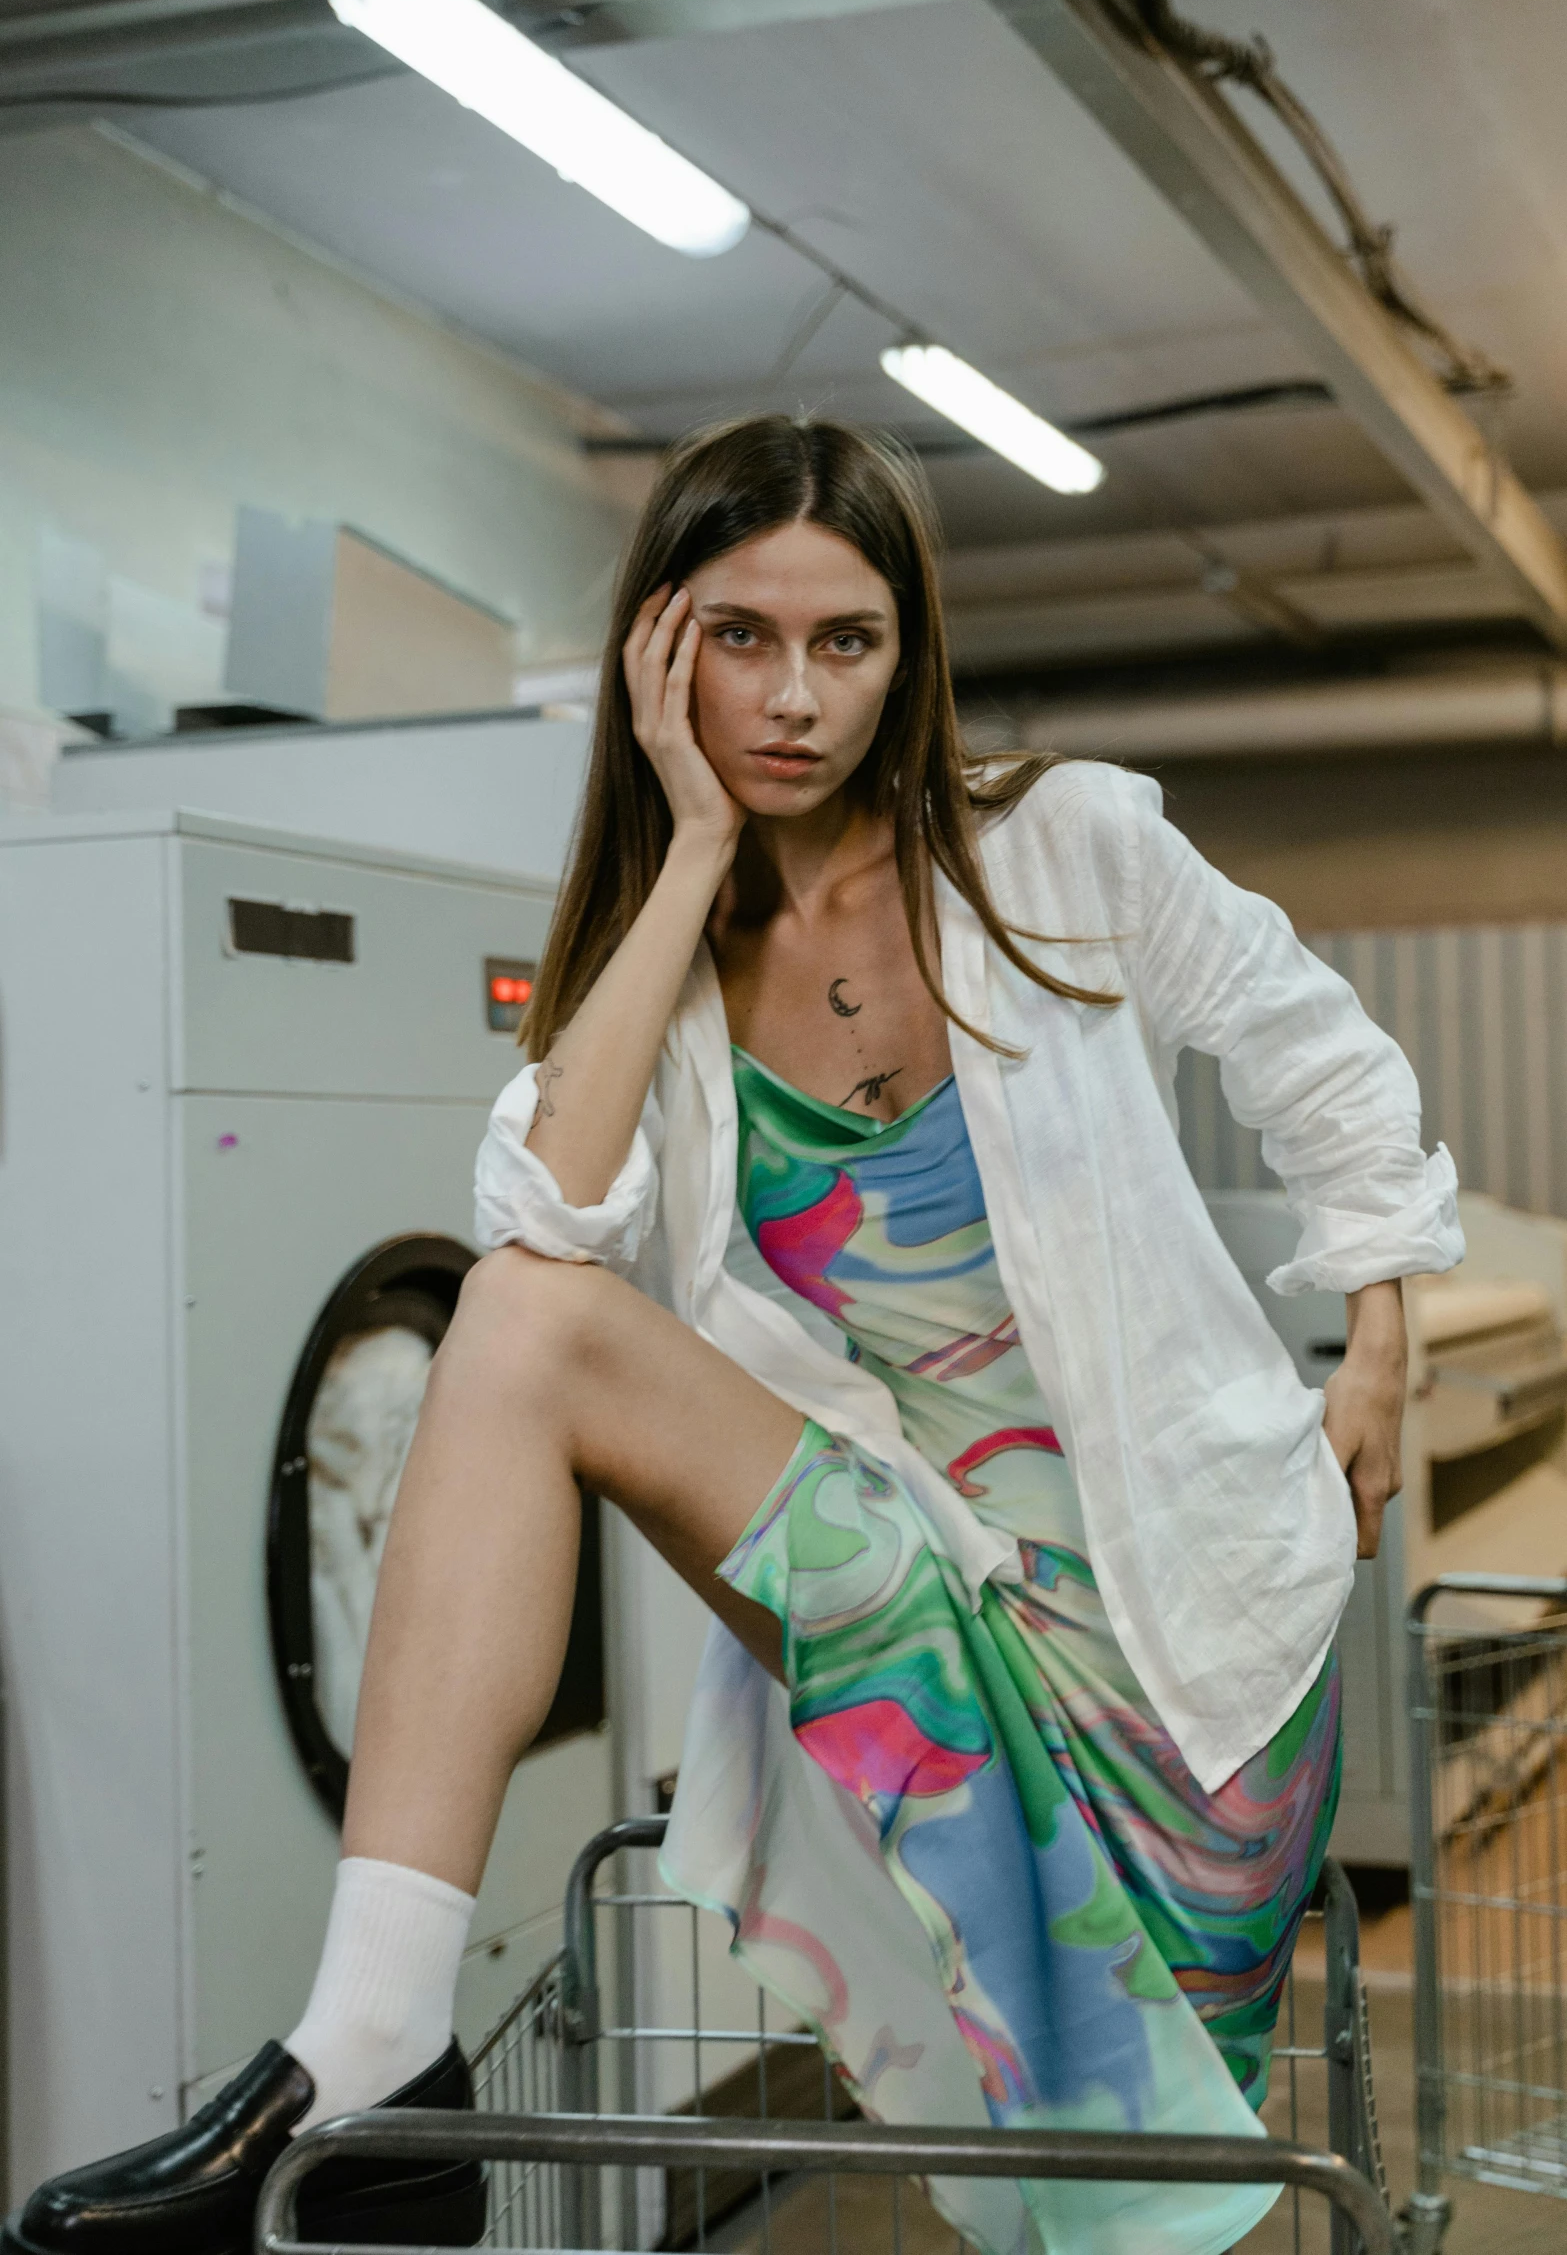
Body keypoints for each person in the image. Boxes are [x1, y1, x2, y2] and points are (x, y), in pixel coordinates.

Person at [8, 416, 1461, 2255]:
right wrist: (689, 848)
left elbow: (1319, 1059)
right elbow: (536, 1228)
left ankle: (381, 2071)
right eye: (740, 639)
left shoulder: (1062, 842)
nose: (792, 696)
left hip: (1175, 1633)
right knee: (527, 1323)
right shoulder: (666, 964)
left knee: (1107, 2210)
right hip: (918, 1581)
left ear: (905, 652)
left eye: (843, 640)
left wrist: (1381, 1341)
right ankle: (371, 2048)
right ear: (658, 651)